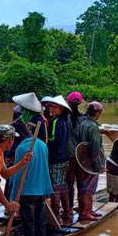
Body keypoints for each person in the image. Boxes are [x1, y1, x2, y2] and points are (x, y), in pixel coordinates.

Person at [8, 124, 52, 236]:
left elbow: (17, 174)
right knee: (40, 220)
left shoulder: (22, 148)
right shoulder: (43, 145)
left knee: (28, 222)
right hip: (41, 189)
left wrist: (13, 198)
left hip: (27, 191)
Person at [43, 95, 72, 223]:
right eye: (50, 107)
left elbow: (54, 140)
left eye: (54, 107)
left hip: (55, 158)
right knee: (62, 185)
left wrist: (45, 141)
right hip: (64, 157)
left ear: (61, 109)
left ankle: (56, 215)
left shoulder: (55, 122)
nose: (51, 109)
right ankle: (66, 211)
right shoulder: (65, 121)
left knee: (55, 186)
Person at [75, 101, 106, 221]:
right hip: (90, 163)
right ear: (97, 113)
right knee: (88, 188)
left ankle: (87, 209)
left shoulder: (83, 123)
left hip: (82, 160)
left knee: (84, 186)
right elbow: (95, 150)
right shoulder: (93, 127)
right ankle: (85, 212)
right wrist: (99, 167)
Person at [66, 91, 84, 212]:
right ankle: (83, 207)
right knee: (81, 183)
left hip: (68, 155)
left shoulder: (64, 117)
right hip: (81, 157)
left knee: (69, 184)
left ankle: (70, 208)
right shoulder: (84, 118)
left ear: (68, 102)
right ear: (81, 103)